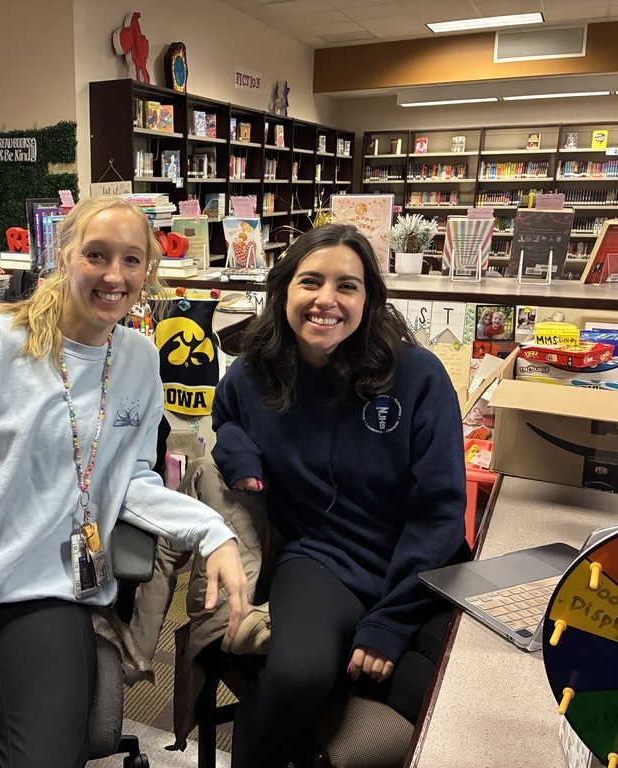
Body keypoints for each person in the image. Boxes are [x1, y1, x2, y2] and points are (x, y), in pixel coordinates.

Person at [0, 194, 247, 768]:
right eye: (97, 254)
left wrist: (211, 531)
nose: (113, 275)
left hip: (46, 597)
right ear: (64, 256)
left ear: (148, 270)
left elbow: (131, 479)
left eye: (131, 260)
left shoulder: (142, 361)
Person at [212, 223, 467, 768]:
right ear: (283, 291)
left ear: (369, 298)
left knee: (460, 692)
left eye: (347, 286)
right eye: (310, 282)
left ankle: (357, 679)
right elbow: (227, 416)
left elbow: (441, 513)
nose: (326, 300)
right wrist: (239, 456)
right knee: (297, 673)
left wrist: (390, 623)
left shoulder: (418, 376)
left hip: (423, 567)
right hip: (321, 557)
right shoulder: (252, 374)